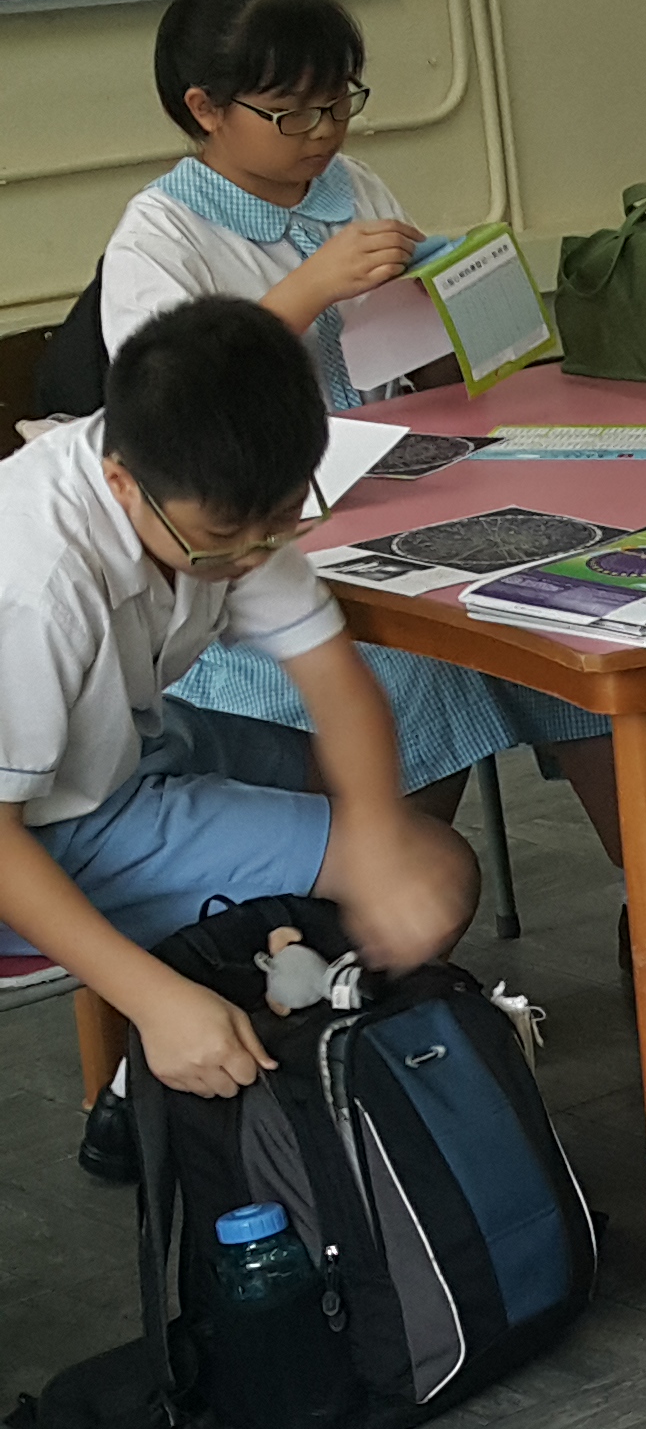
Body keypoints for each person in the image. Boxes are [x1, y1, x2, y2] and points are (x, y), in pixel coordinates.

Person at [97, 0, 646, 1003]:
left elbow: (417, 366)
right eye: (292, 114)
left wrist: (452, 304)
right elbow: (177, 414)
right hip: (261, 546)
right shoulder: (161, 234)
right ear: (206, 109)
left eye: (339, 104)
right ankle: (367, 941)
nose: (323, 135)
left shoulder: (355, 189)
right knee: (425, 667)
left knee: (567, 621)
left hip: (405, 490)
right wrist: (308, 290)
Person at [0, 303, 480, 1092]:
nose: (254, 556)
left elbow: (338, 686)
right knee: (441, 864)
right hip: (47, 826)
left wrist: (376, 848)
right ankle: (239, 1088)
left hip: (124, 748)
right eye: (223, 541)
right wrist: (154, 1000)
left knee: (394, 834)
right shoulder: (34, 584)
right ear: (121, 485)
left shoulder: (227, 491)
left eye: (281, 525)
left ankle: (278, 1039)